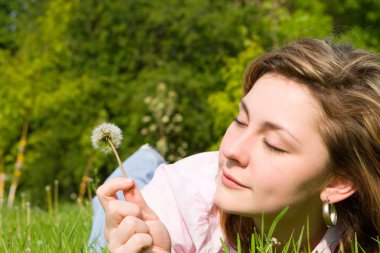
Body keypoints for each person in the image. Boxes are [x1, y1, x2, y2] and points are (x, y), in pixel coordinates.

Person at [96, 39, 380, 253]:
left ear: (340, 181)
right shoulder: (178, 201)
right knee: (99, 231)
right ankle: (146, 160)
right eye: (240, 121)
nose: (231, 150)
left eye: (273, 144)